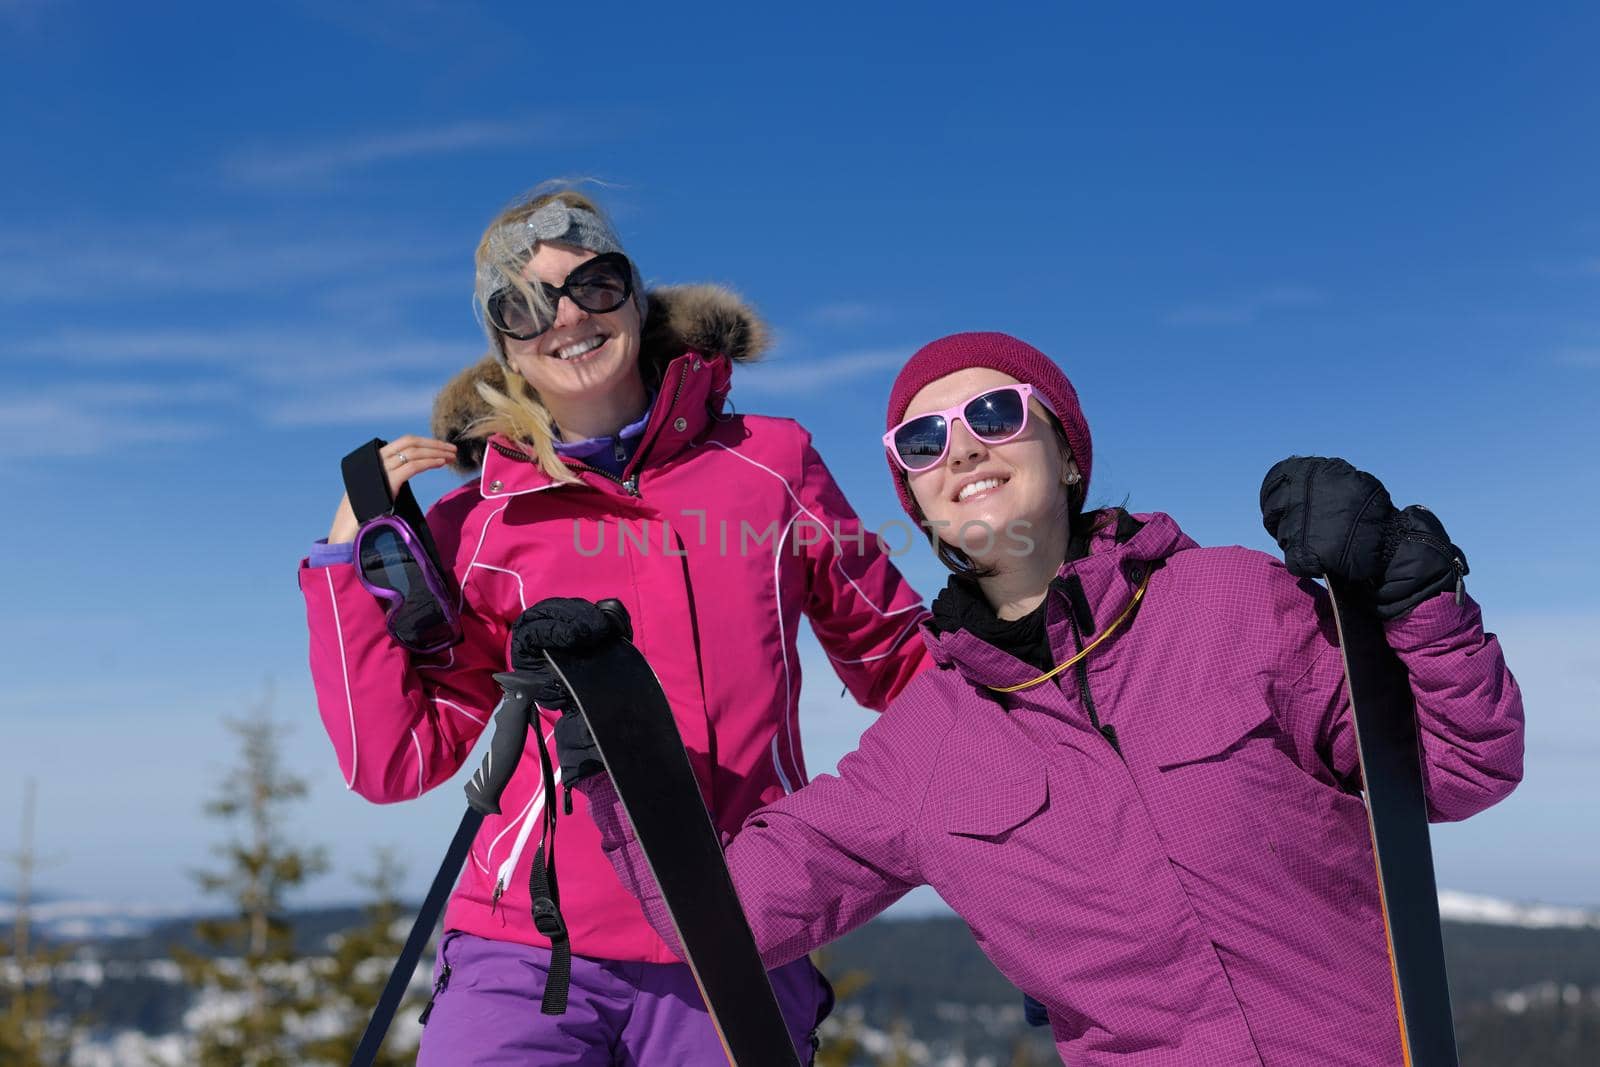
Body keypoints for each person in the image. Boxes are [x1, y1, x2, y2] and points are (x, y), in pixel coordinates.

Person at [554, 331, 1525, 1066]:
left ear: (1064, 452)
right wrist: (615, 745)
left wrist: (1404, 585)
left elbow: (1461, 763)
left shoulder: (1229, 598)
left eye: (995, 415)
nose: (962, 449)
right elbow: (719, 918)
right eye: (923, 440)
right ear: (918, 502)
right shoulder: (921, 745)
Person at [298, 187, 932, 1065]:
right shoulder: (477, 523)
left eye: (592, 284)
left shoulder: (769, 468)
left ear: (634, 295)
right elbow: (395, 759)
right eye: (522, 306)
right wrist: (344, 570)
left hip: (732, 928)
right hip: (528, 945)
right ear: (505, 345)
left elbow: (902, 663)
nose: (566, 318)